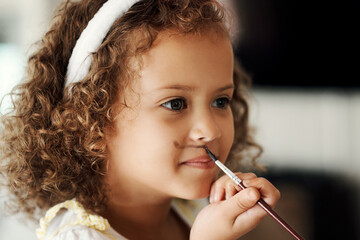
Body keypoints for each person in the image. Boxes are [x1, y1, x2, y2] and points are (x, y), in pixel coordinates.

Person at [0, 0, 280, 239]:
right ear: (91, 122)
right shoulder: (78, 236)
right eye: (175, 104)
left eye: (220, 101)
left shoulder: (194, 213)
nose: (209, 130)